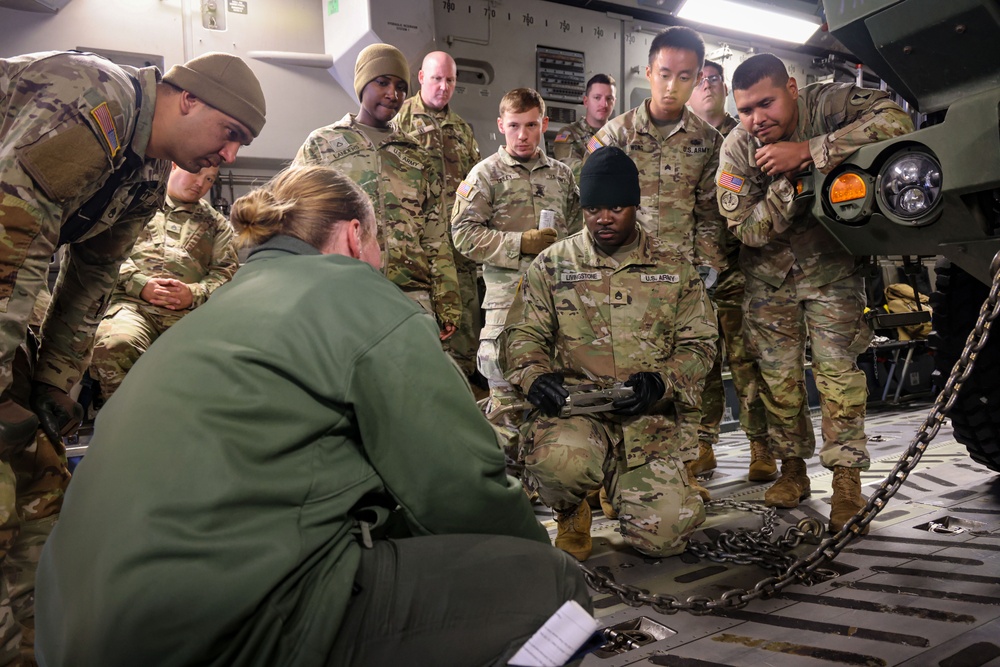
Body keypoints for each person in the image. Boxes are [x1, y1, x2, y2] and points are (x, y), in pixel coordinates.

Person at [34, 165, 591, 667]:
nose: (379, 261)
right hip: (218, 631)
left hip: (74, 628)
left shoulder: (216, 308)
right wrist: (527, 550)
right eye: (379, 243)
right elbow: (463, 487)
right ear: (354, 234)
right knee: (553, 584)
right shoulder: (359, 295)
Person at [0, 49, 265, 664]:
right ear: (188, 98)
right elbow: (12, 242)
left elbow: (92, 274)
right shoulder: (94, 102)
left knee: (41, 484)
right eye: (230, 133)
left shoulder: (145, 171)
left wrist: (54, 382)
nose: (230, 156)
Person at [718, 53, 913, 532]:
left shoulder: (829, 104)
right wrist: (790, 183)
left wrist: (811, 148)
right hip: (768, 279)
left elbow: (898, 120)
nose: (756, 119)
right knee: (779, 382)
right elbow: (748, 230)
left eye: (766, 104)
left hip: (831, 270)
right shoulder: (737, 149)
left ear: (791, 88)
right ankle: (792, 470)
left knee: (838, 377)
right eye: (745, 110)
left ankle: (846, 481)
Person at [504, 147, 716, 561]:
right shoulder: (553, 265)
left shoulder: (673, 267)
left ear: (635, 205)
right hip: (576, 415)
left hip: (646, 421)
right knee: (558, 464)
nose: (603, 218)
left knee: (665, 538)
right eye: (593, 209)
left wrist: (663, 382)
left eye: (616, 208)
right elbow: (521, 335)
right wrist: (534, 376)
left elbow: (701, 343)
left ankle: (630, 490)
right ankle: (572, 509)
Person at [294, 44, 460, 342]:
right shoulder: (322, 145)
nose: (392, 94)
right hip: (343, 294)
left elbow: (435, 236)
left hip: (410, 298)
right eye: (382, 82)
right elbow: (295, 221)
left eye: (400, 87)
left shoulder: (416, 155)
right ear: (362, 84)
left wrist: (447, 301)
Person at [451, 87, 581, 469]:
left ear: (544, 124)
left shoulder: (562, 176)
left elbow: (579, 236)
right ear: (500, 125)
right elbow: (462, 234)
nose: (522, 135)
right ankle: (506, 493)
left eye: (531, 125)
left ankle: (553, 489)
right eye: (513, 126)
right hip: (507, 310)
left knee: (556, 405)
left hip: (557, 310)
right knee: (506, 414)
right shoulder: (485, 175)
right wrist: (519, 242)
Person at [686, 59, 775, 483]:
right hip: (692, 274)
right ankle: (702, 445)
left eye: (714, 79)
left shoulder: (749, 135)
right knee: (700, 363)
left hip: (741, 266)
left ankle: (761, 445)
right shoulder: (680, 142)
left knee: (746, 360)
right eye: (699, 80)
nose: (706, 85)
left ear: (725, 89)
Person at [90, 163, 238, 399]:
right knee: (115, 343)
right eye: (197, 173)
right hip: (132, 306)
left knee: (214, 360)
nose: (201, 183)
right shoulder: (134, 204)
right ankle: (124, 415)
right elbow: (105, 250)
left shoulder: (217, 224)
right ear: (175, 165)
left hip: (190, 315)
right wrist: (139, 284)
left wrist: (193, 293)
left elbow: (225, 273)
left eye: (210, 179)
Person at [588, 27, 725, 283]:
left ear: (697, 79)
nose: (671, 87)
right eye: (664, 75)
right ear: (649, 73)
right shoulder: (615, 136)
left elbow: (710, 214)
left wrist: (707, 266)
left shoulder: (710, 141)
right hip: (623, 269)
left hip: (681, 270)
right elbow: (592, 208)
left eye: (684, 77)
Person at [395, 51, 483, 381]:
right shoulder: (400, 121)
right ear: (421, 78)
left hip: (458, 249)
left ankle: (462, 389)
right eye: (436, 79)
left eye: (450, 80)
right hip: (416, 247)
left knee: (463, 331)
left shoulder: (461, 129)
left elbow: (475, 184)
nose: (443, 87)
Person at [552, 73, 617, 182]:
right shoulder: (569, 134)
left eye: (609, 98)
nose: (604, 104)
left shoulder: (621, 134)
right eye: (597, 98)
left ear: (614, 102)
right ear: (586, 101)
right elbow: (572, 172)